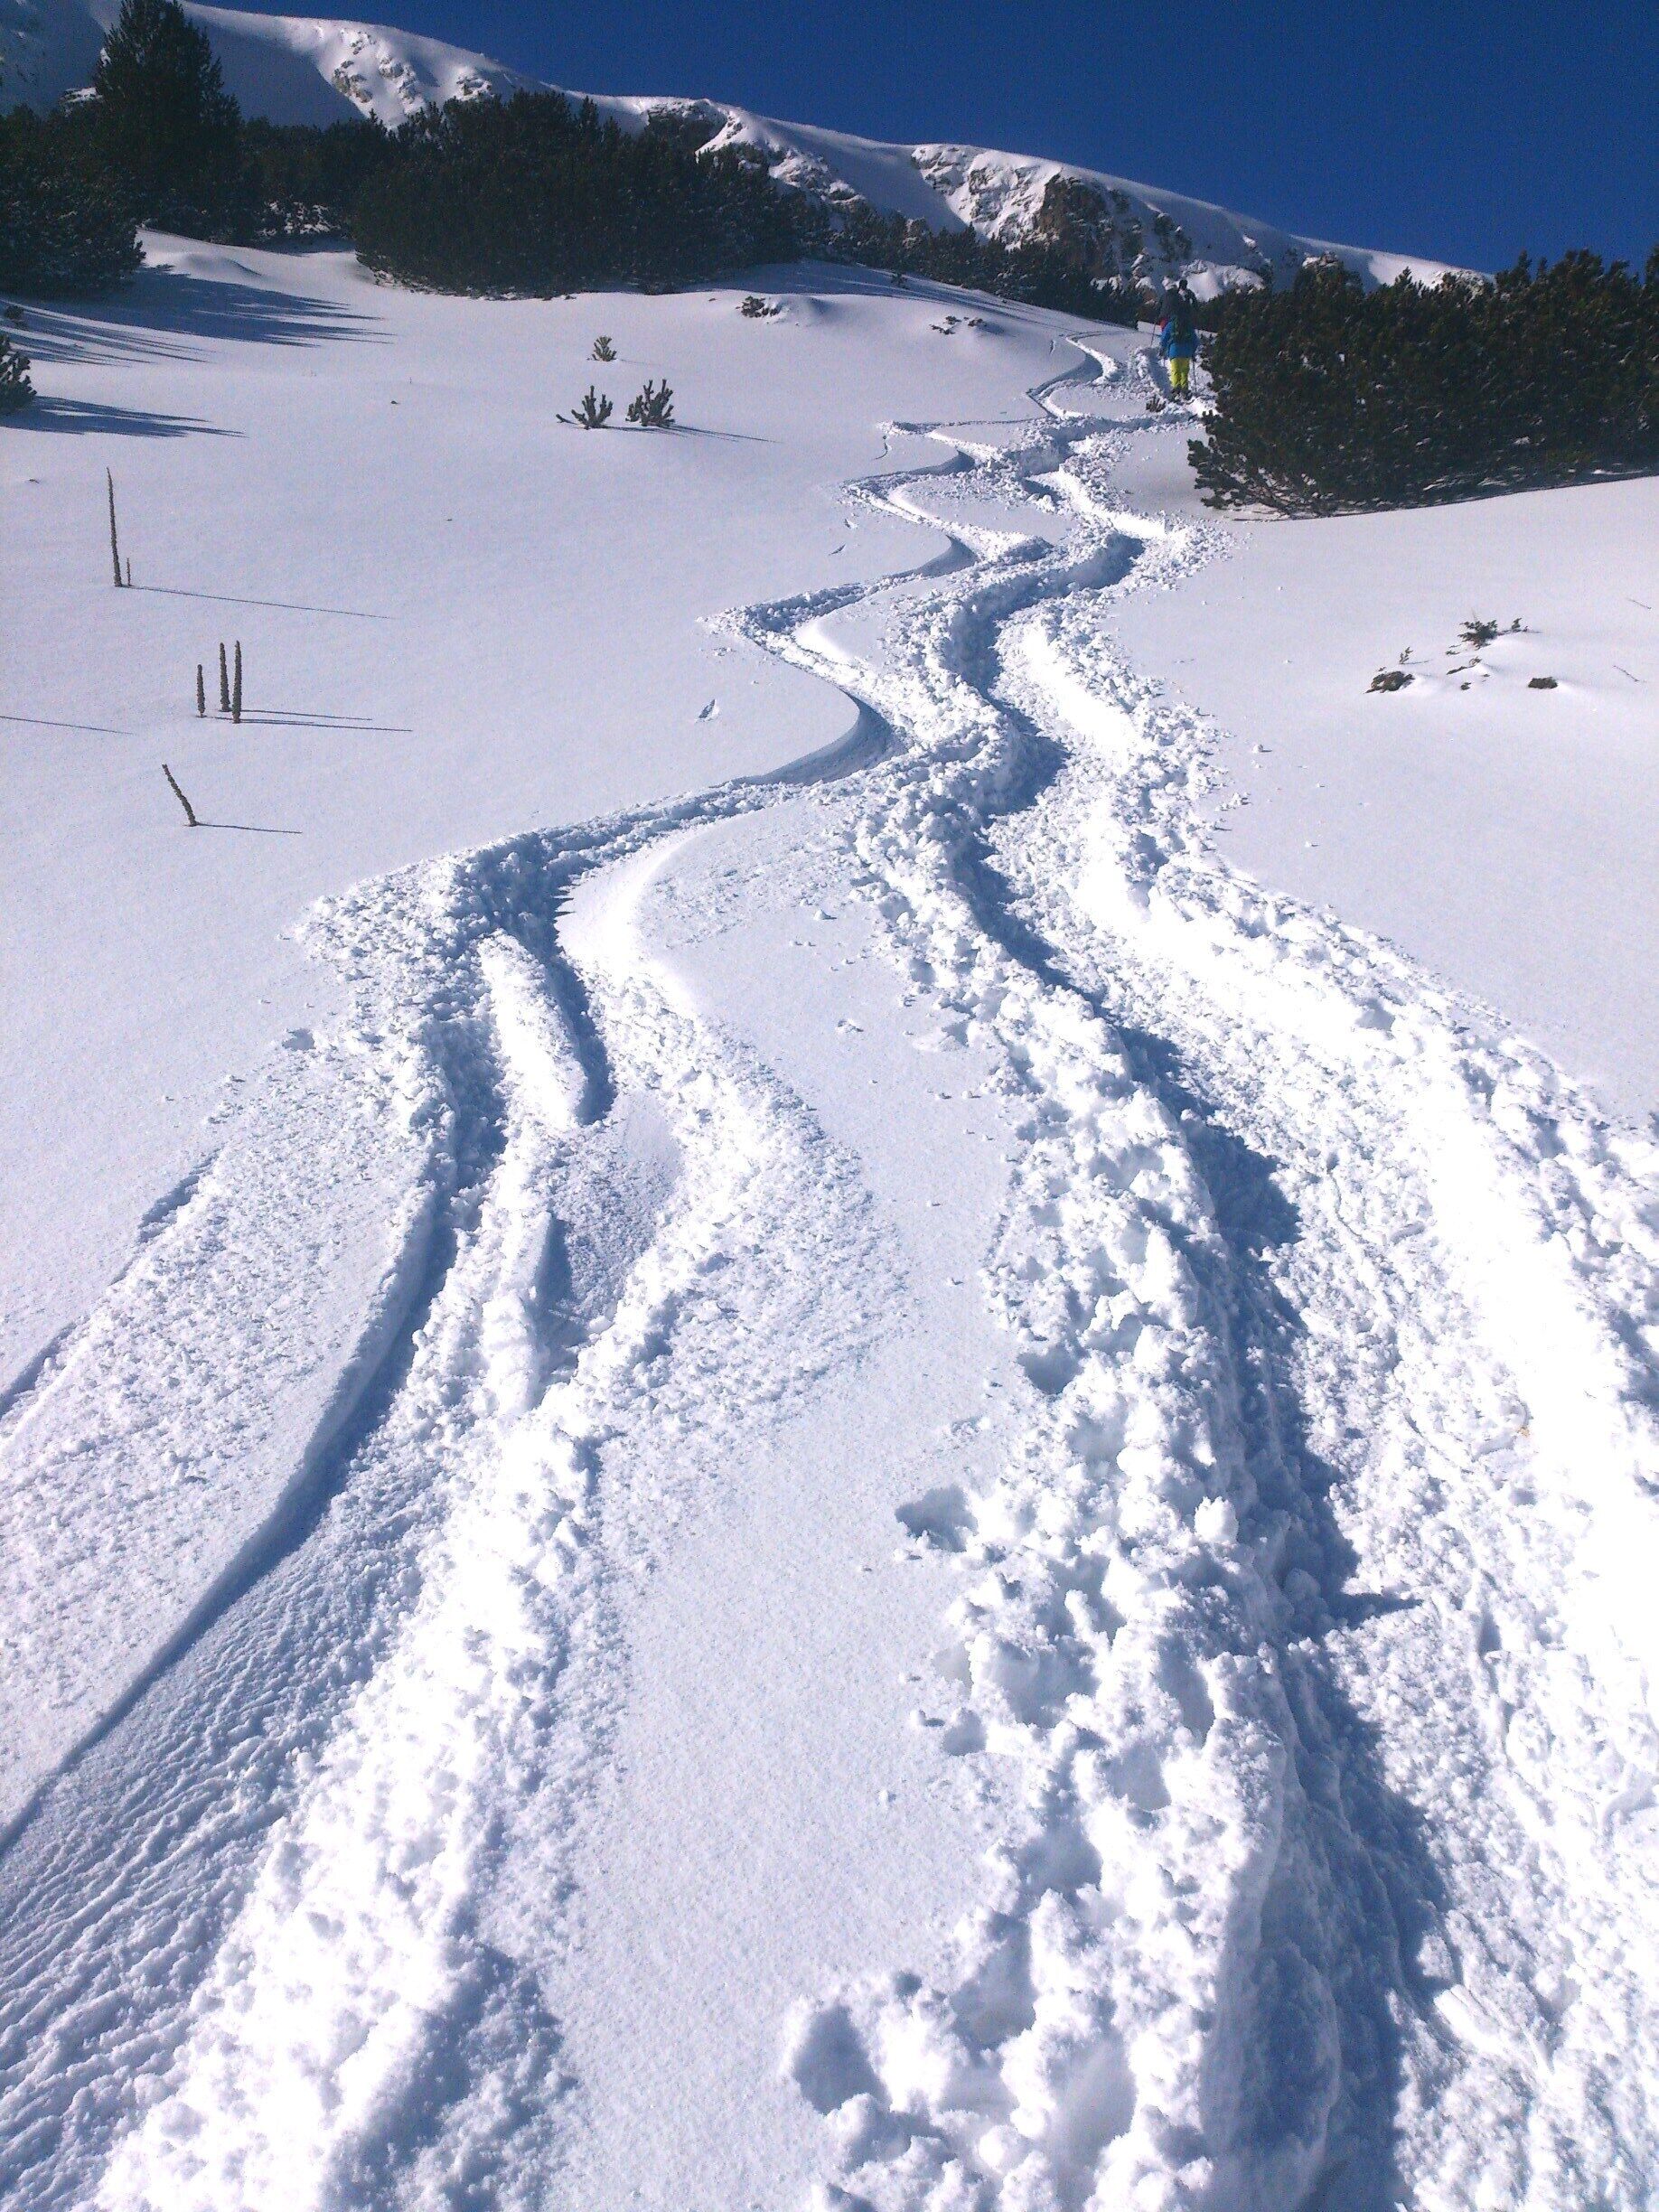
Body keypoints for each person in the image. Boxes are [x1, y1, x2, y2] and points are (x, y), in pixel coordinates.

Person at [1158, 286, 1198, 398]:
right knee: (1184, 371)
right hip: (1187, 351)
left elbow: (1165, 337)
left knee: (1175, 370)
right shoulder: (1188, 325)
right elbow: (1195, 339)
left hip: (1174, 350)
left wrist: (1163, 348)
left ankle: (1176, 387)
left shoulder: (1171, 324)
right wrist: (1193, 352)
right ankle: (1185, 388)